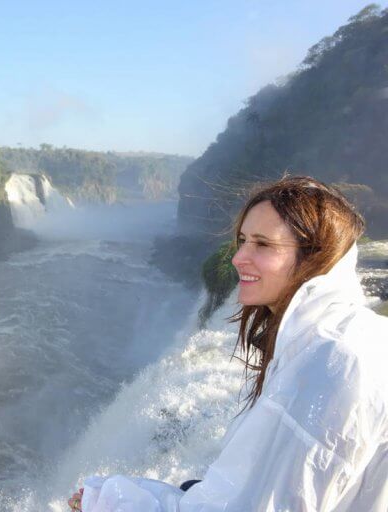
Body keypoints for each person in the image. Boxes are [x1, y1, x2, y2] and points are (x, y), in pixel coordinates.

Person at [69, 176, 388, 511]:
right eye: (242, 240)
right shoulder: (333, 338)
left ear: (315, 257)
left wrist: (107, 502)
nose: (238, 258)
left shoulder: (332, 361)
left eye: (263, 244)